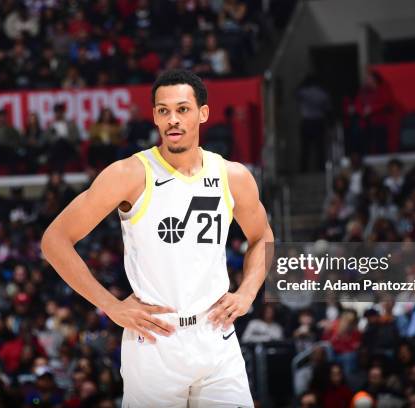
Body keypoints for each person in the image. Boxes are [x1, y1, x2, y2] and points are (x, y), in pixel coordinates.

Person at [41, 69, 273, 407]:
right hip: (155, 344)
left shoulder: (232, 175)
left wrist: (248, 291)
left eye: (182, 109)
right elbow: (54, 240)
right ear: (154, 116)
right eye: (163, 111)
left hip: (216, 338)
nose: (172, 120)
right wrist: (110, 306)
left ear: (203, 113)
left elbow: (263, 234)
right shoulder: (128, 174)